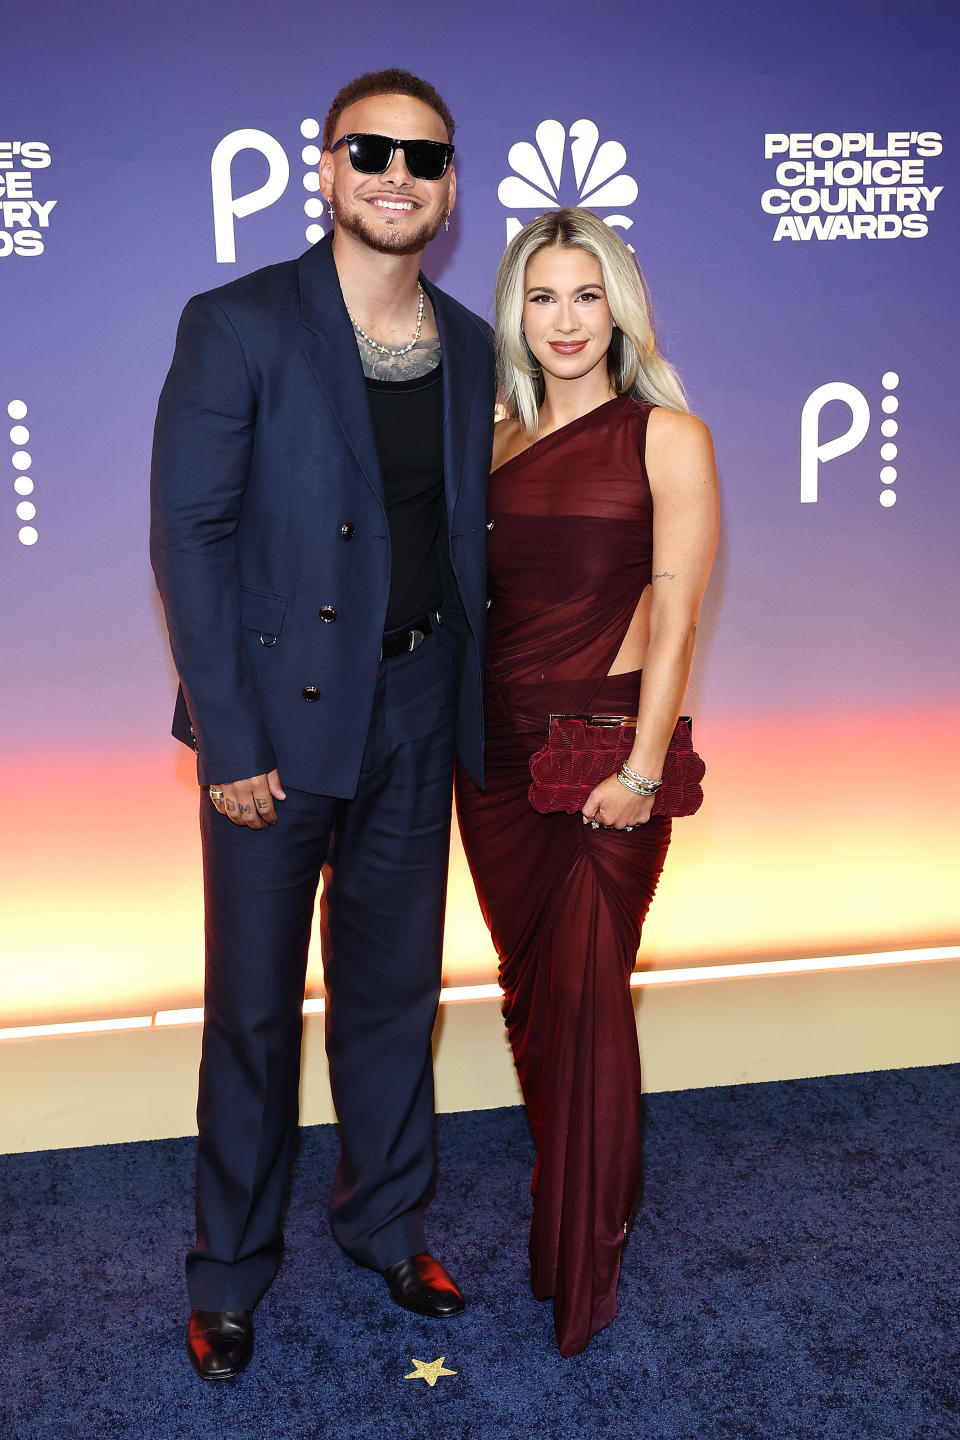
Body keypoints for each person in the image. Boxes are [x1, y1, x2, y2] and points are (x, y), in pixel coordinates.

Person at [150, 68, 495, 1380]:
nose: (398, 176)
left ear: (451, 186)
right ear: (329, 171)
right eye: (373, 151)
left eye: (425, 157)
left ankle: (385, 1224)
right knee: (251, 1009)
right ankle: (229, 1269)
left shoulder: (467, 344)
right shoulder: (235, 323)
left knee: (397, 997)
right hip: (275, 729)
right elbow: (189, 535)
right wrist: (227, 742)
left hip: (417, 704)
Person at [455, 208, 718, 1357]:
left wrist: (644, 768)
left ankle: (585, 1252)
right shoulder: (496, 438)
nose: (566, 320)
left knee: (589, 997)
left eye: (588, 294)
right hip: (496, 756)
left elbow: (676, 615)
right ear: (518, 308)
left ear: (621, 306)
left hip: (605, 750)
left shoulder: (668, 434)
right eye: (544, 296)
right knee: (531, 995)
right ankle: (562, 1186)